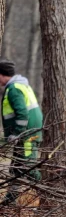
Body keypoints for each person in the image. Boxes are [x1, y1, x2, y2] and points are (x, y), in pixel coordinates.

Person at [0, 60, 43, 206]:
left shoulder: (14, 89)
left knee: (27, 167)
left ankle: (49, 189)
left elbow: (22, 114)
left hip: (27, 136)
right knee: (16, 169)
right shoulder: (20, 85)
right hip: (27, 134)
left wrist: (16, 133)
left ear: (2, 75)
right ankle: (10, 201)